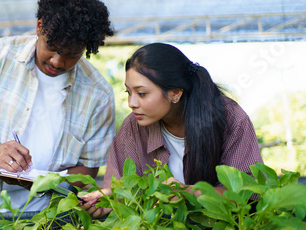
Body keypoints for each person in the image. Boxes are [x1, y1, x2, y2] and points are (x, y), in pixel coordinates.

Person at [0, 0, 115, 212]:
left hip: (50, 215)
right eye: (52, 47)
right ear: (39, 27)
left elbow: (88, 169)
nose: (57, 61)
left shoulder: (99, 94)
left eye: (71, 54)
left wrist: (44, 184)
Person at [82, 43, 263, 217]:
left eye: (142, 93)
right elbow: (119, 190)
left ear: (175, 93)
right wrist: (109, 201)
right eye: (128, 92)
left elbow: (247, 192)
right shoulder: (132, 128)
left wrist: (191, 193)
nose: (131, 103)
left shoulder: (230, 118)